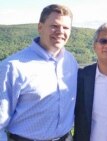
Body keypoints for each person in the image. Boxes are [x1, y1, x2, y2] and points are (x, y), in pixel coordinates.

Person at [0, 4, 77, 141]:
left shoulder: (70, 61)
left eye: (65, 27)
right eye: (54, 26)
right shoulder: (13, 67)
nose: (60, 31)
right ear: (40, 27)